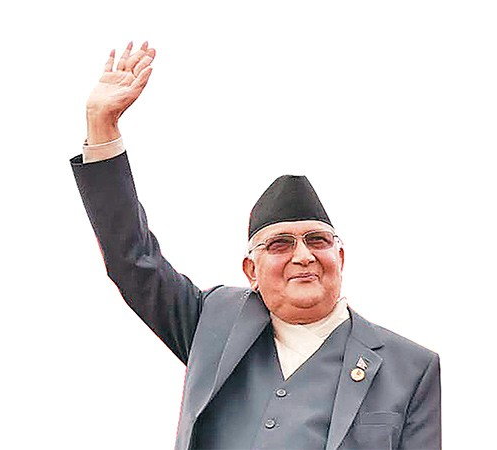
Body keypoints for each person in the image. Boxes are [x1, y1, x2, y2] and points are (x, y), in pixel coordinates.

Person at [71, 41, 441, 450]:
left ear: (340, 256)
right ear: (251, 270)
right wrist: (102, 127)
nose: (303, 256)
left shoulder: (411, 368)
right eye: (280, 244)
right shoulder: (213, 323)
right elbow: (133, 260)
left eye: (316, 240)